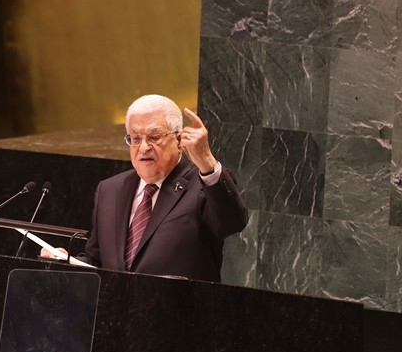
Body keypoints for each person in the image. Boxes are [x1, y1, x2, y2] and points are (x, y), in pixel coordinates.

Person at [45, 94, 249, 282]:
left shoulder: (203, 185)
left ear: (179, 140)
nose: (143, 147)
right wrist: (67, 261)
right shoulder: (110, 190)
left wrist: (207, 162)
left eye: (154, 137)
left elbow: (232, 223)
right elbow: (97, 261)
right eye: (135, 138)